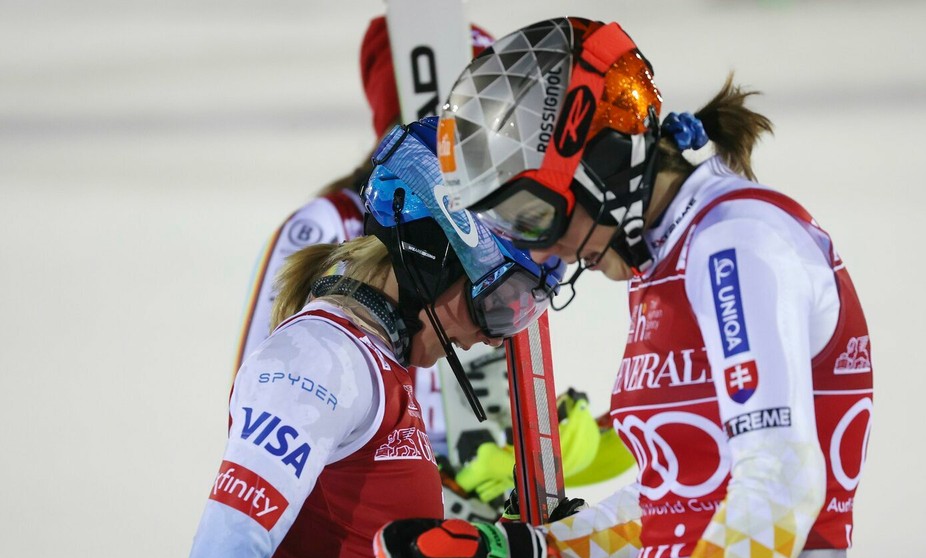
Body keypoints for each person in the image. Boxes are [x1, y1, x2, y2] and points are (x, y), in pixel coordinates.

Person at [374, 17, 873, 558]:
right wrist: (516, 552)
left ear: (601, 163)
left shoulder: (736, 243)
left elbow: (779, 491)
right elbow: (677, 503)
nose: (543, 252)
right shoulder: (670, 260)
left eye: (534, 215)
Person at [234, 14, 631, 525]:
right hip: (368, 511)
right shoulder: (330, 224)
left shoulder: (503, 235)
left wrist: (562, 443)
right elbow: (265, 407)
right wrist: (434, 484)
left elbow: (494, 373)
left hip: (458, 516)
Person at [184, 117, 562, 558]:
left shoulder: (375, 366)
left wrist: (502, 556)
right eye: (497, 304)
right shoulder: (318, 357)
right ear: (431, 259)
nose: (493, 337)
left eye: (520, 311)